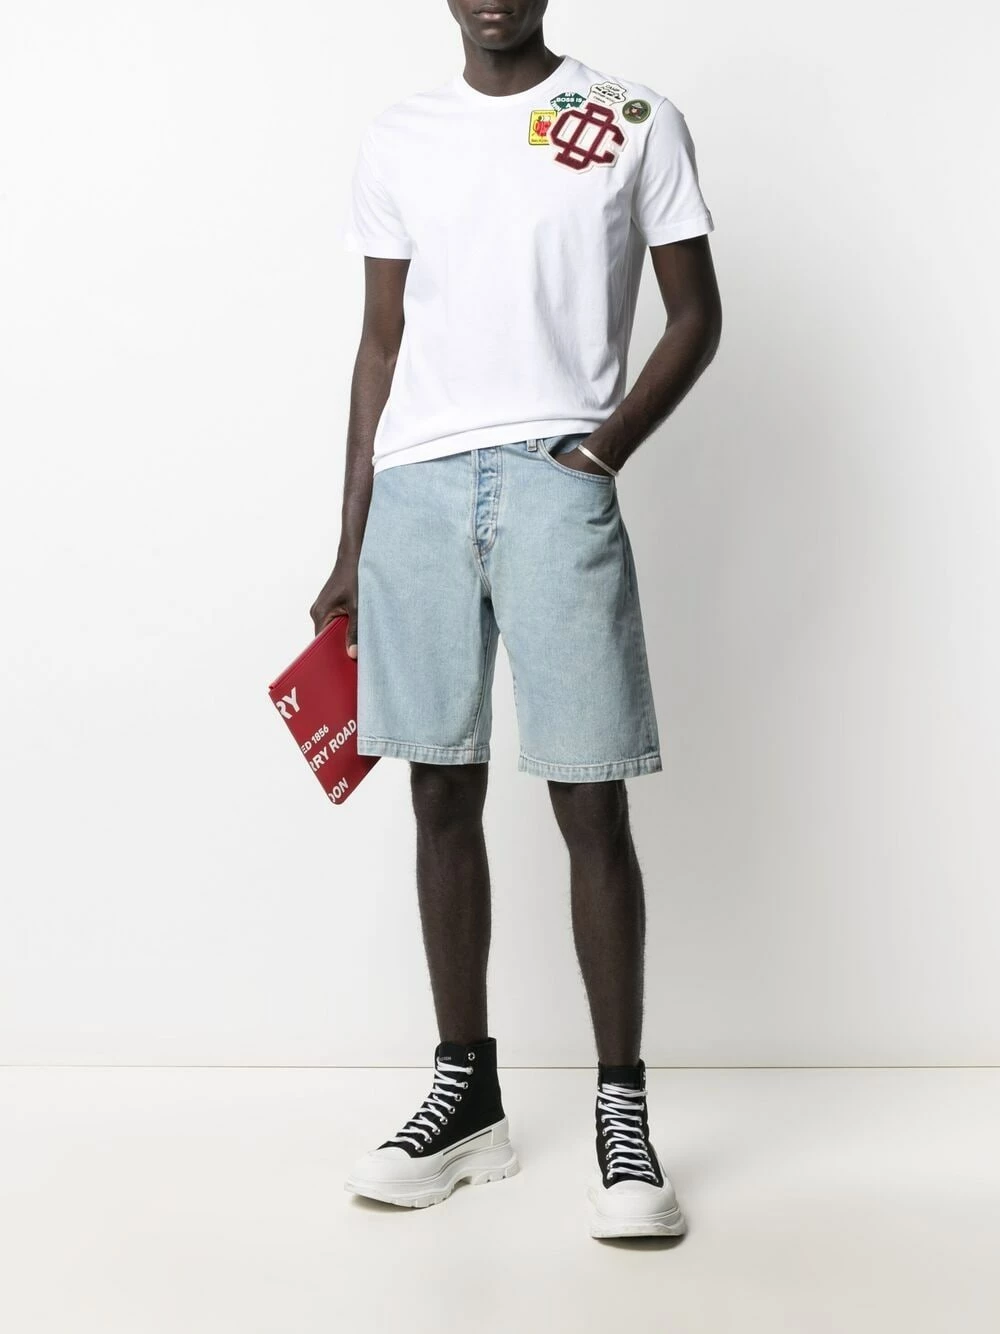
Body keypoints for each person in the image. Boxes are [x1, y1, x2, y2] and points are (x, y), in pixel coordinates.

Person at [311, 0, 721, 1240]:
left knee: (590, 796)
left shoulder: (631, 118)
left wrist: (598, 451)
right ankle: (467, 1096)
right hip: (418, 492)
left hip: (556, 477)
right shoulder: (399, 135)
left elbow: (695, 316)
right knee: (439, 788)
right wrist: (350, 537)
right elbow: (379, 344)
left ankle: (621, 1113)